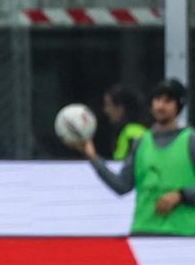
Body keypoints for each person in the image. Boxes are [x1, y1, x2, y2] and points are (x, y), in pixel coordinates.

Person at [77, 78, 195, 236]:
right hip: (143, 233)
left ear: (178, 106)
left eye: (168, 101)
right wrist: (93, 158)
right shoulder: (141, 143)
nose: (160, 106)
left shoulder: (190, 140)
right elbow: (122, 186)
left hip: (183, 235)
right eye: (157, 99)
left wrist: (181, 195)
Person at [102, 83, 148, 160]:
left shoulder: (133, 133)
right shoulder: (124, 132)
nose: (106, 110)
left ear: (121, 108)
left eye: (108, 105)